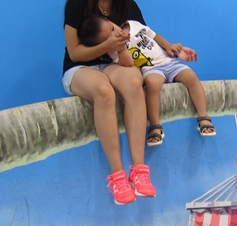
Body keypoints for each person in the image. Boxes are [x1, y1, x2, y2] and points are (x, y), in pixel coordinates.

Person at [62, 0, 155, 206]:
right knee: (103, 90)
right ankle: (117, 175)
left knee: (134, 80)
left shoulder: (129, 6)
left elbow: (141, 48)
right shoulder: (77, 1)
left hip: (114, 65)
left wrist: (169, 53)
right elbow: (75, 53)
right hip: (80, 68)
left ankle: (139, 171)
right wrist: (108, 45)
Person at [80, 16, 215, 147]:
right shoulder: (114, 51)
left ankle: (203, 117)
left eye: (112, 28)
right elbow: (128, 64)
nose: (115, 34)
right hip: (150, 69)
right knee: (152, 83)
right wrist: (121, 48)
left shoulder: (133, 25)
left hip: (168, 62)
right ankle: (155, 126)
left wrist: (169, 46)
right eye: (108, 38)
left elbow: (154, 36)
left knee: (191, 76)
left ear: (110, 21)